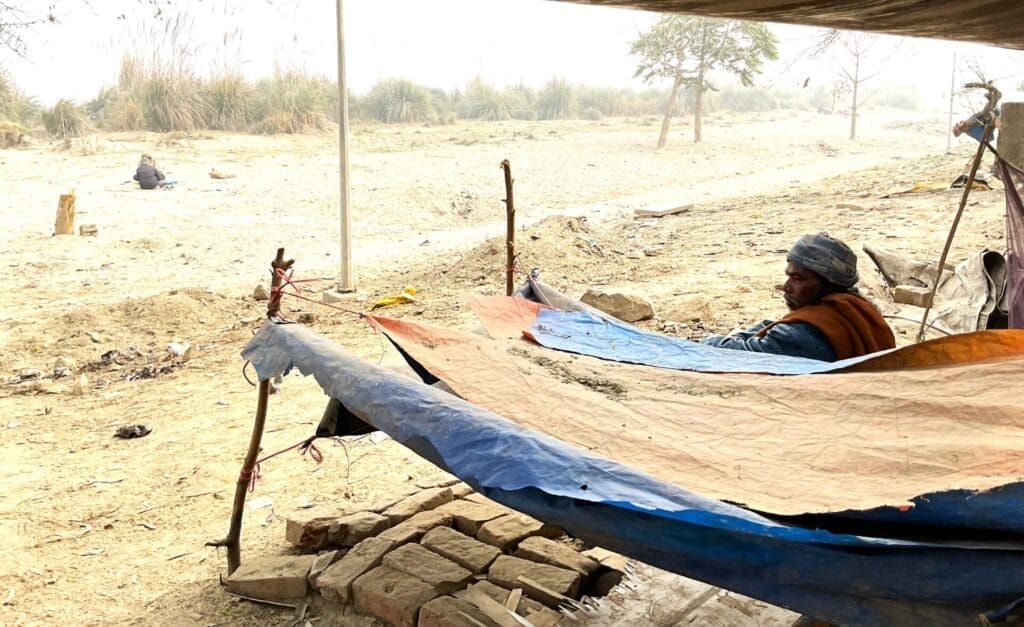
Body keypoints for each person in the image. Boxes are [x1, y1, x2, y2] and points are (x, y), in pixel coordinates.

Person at [700, 233, 895, 361]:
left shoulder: (802, 335)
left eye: (797, 279)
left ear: (827, 283)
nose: (786, 287)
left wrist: (705, 341)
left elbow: (738, 353)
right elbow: (774, 327)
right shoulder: (859, 309)